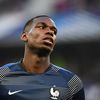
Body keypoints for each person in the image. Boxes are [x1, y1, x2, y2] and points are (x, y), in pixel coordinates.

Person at [0, 15, 85, 100]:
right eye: (41, 27)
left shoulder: (71, 82)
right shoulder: (2, 76)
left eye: (54, 31)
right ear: (24, 36)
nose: (50, 32)